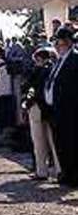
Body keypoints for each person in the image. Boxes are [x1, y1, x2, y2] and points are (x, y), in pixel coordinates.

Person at [46, 27, 78, 186]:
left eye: (58, 42)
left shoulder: (75, 59)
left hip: (70, 109)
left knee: (71, 143)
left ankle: (73, 175)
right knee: (60, 143)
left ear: (67, 42)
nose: (56, 45)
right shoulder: (59, 60)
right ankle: (66, 173)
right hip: (56, 109)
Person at [22, 48, 61, 180]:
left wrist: (27, 103)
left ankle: (41, 171)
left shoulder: (39, 71)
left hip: (37, 107)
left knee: (39, 142)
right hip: (50, 109)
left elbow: (30, 88)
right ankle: (59, 170)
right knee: (54, 142)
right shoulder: (55, 70)